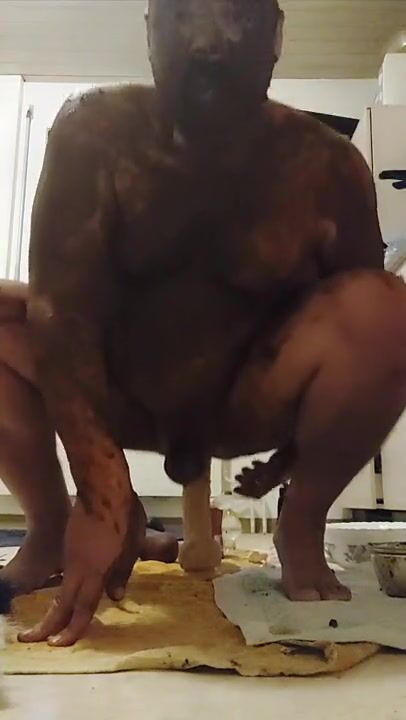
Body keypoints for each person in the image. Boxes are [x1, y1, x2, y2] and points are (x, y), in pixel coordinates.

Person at [1, 0, 405, 647]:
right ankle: (53, 526)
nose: (207, 44)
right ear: (150, 31)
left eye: (238, 17)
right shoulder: (93, 131)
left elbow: (365, 329)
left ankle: (301, 527)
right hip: (123, 389)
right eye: (182, 15)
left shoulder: (329, 168)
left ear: (276, 35)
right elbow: (60, 309)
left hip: (248, 400)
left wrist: (294, 463)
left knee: (389, 306)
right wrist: (102, 490)